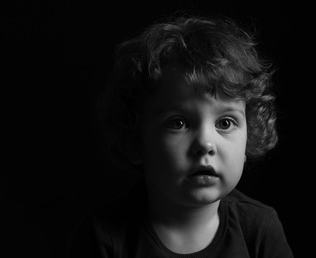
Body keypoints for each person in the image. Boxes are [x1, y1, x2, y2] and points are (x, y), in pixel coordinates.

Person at [68, 14, 293, 258]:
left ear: (250, 135)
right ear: (135, 139)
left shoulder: (259, 230)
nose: (205, 144)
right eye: (179, 123)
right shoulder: (105, 237)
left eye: (225, 123)